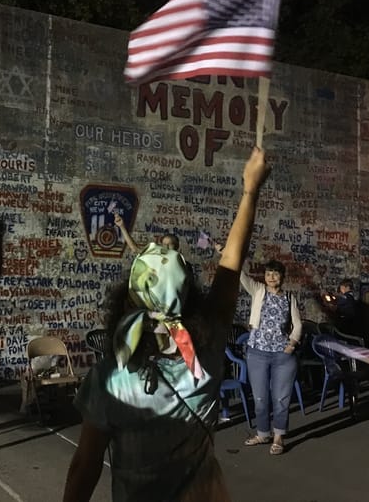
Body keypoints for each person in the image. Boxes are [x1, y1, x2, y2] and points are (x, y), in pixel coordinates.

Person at [63, 147, 270, 502]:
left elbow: (86, 465)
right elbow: (231, 266)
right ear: (190, 297)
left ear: (129, 299)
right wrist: (250, 189)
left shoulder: (109, 377)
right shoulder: (204, 352)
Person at [239, 258, 302, 455]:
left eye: (275, 273)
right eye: (268, 274)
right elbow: (240, 275)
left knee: (281, 399)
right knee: (259, 398)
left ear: (282, 276)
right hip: (257, 351)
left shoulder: (289, 297)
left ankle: (278, 436)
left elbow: (298, 324)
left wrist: (292, 344)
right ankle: (263, 433)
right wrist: (226, 252)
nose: (271, 277)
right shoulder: (258, 290)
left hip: (282, 355)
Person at [113, 212, 179, 254]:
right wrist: (122, 226)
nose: (166, 247)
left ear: (176, 247)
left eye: (170, 244)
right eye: (164, 244)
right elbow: (135, 249)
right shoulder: (156, 258)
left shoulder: (184, 264)